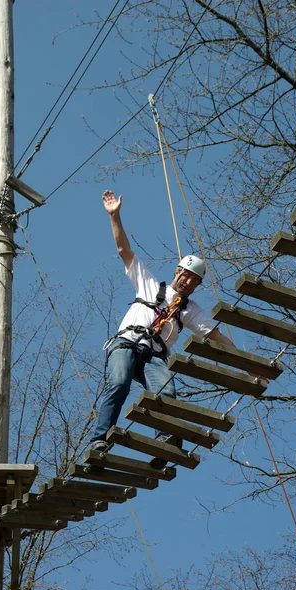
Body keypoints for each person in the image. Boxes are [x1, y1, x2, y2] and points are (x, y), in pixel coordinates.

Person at [90, 190, 234, 467]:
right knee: (118, 384)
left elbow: (215, 336)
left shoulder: (190, 311)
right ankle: (100, 438)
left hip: (154, 355)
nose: (188, 283)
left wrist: (245, 363)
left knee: (166, 393)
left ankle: (166, 439)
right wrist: (115, 216)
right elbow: (124, 251)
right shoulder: (150, 286)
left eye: (195, 281)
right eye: (186, 276)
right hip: (127, 343)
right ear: (177, 272)